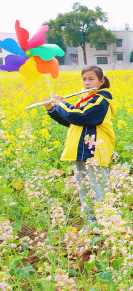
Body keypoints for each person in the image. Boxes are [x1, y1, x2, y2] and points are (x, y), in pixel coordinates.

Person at [44, 66, 114, 233]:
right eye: (84, 79)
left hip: (95, 149)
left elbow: (79, 115)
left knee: (98, 187)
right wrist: (53, 110)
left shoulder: (101, 100)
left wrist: (61, 103)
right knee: (84, 187)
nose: (87, 83)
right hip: (81, 149)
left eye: (91, 79)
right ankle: (91, 223)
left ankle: (106, 222)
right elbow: (72, 122)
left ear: (101, 81)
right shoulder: (85, 99)